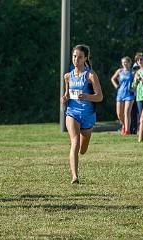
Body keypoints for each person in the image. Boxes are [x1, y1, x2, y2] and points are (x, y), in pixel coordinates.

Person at [61, 44, 103, 184]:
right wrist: (65, 98)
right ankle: (75, 176)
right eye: (74, 56)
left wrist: (87, 96)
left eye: (79, 57)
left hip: (88, 115)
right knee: (75, 141)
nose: (76, 59)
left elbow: (99, 97)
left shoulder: (90, 75)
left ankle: (81, 151)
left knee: (83, 149)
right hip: (72, 112)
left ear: (85, 58)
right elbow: (67, 95)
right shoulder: (67, 76)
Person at [111, 56, 135, 135]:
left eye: (126, 62)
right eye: (123, 62)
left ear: (130, 63)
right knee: (119, 114)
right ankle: (124, 125)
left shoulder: (133, 72)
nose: (124, 64)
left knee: (127, 112)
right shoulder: (120, 71)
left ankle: (127, 131)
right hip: (120, 93)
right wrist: (116, 85)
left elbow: (137, 81)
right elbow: (112, 78)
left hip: (129, 94)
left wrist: (134, 88)